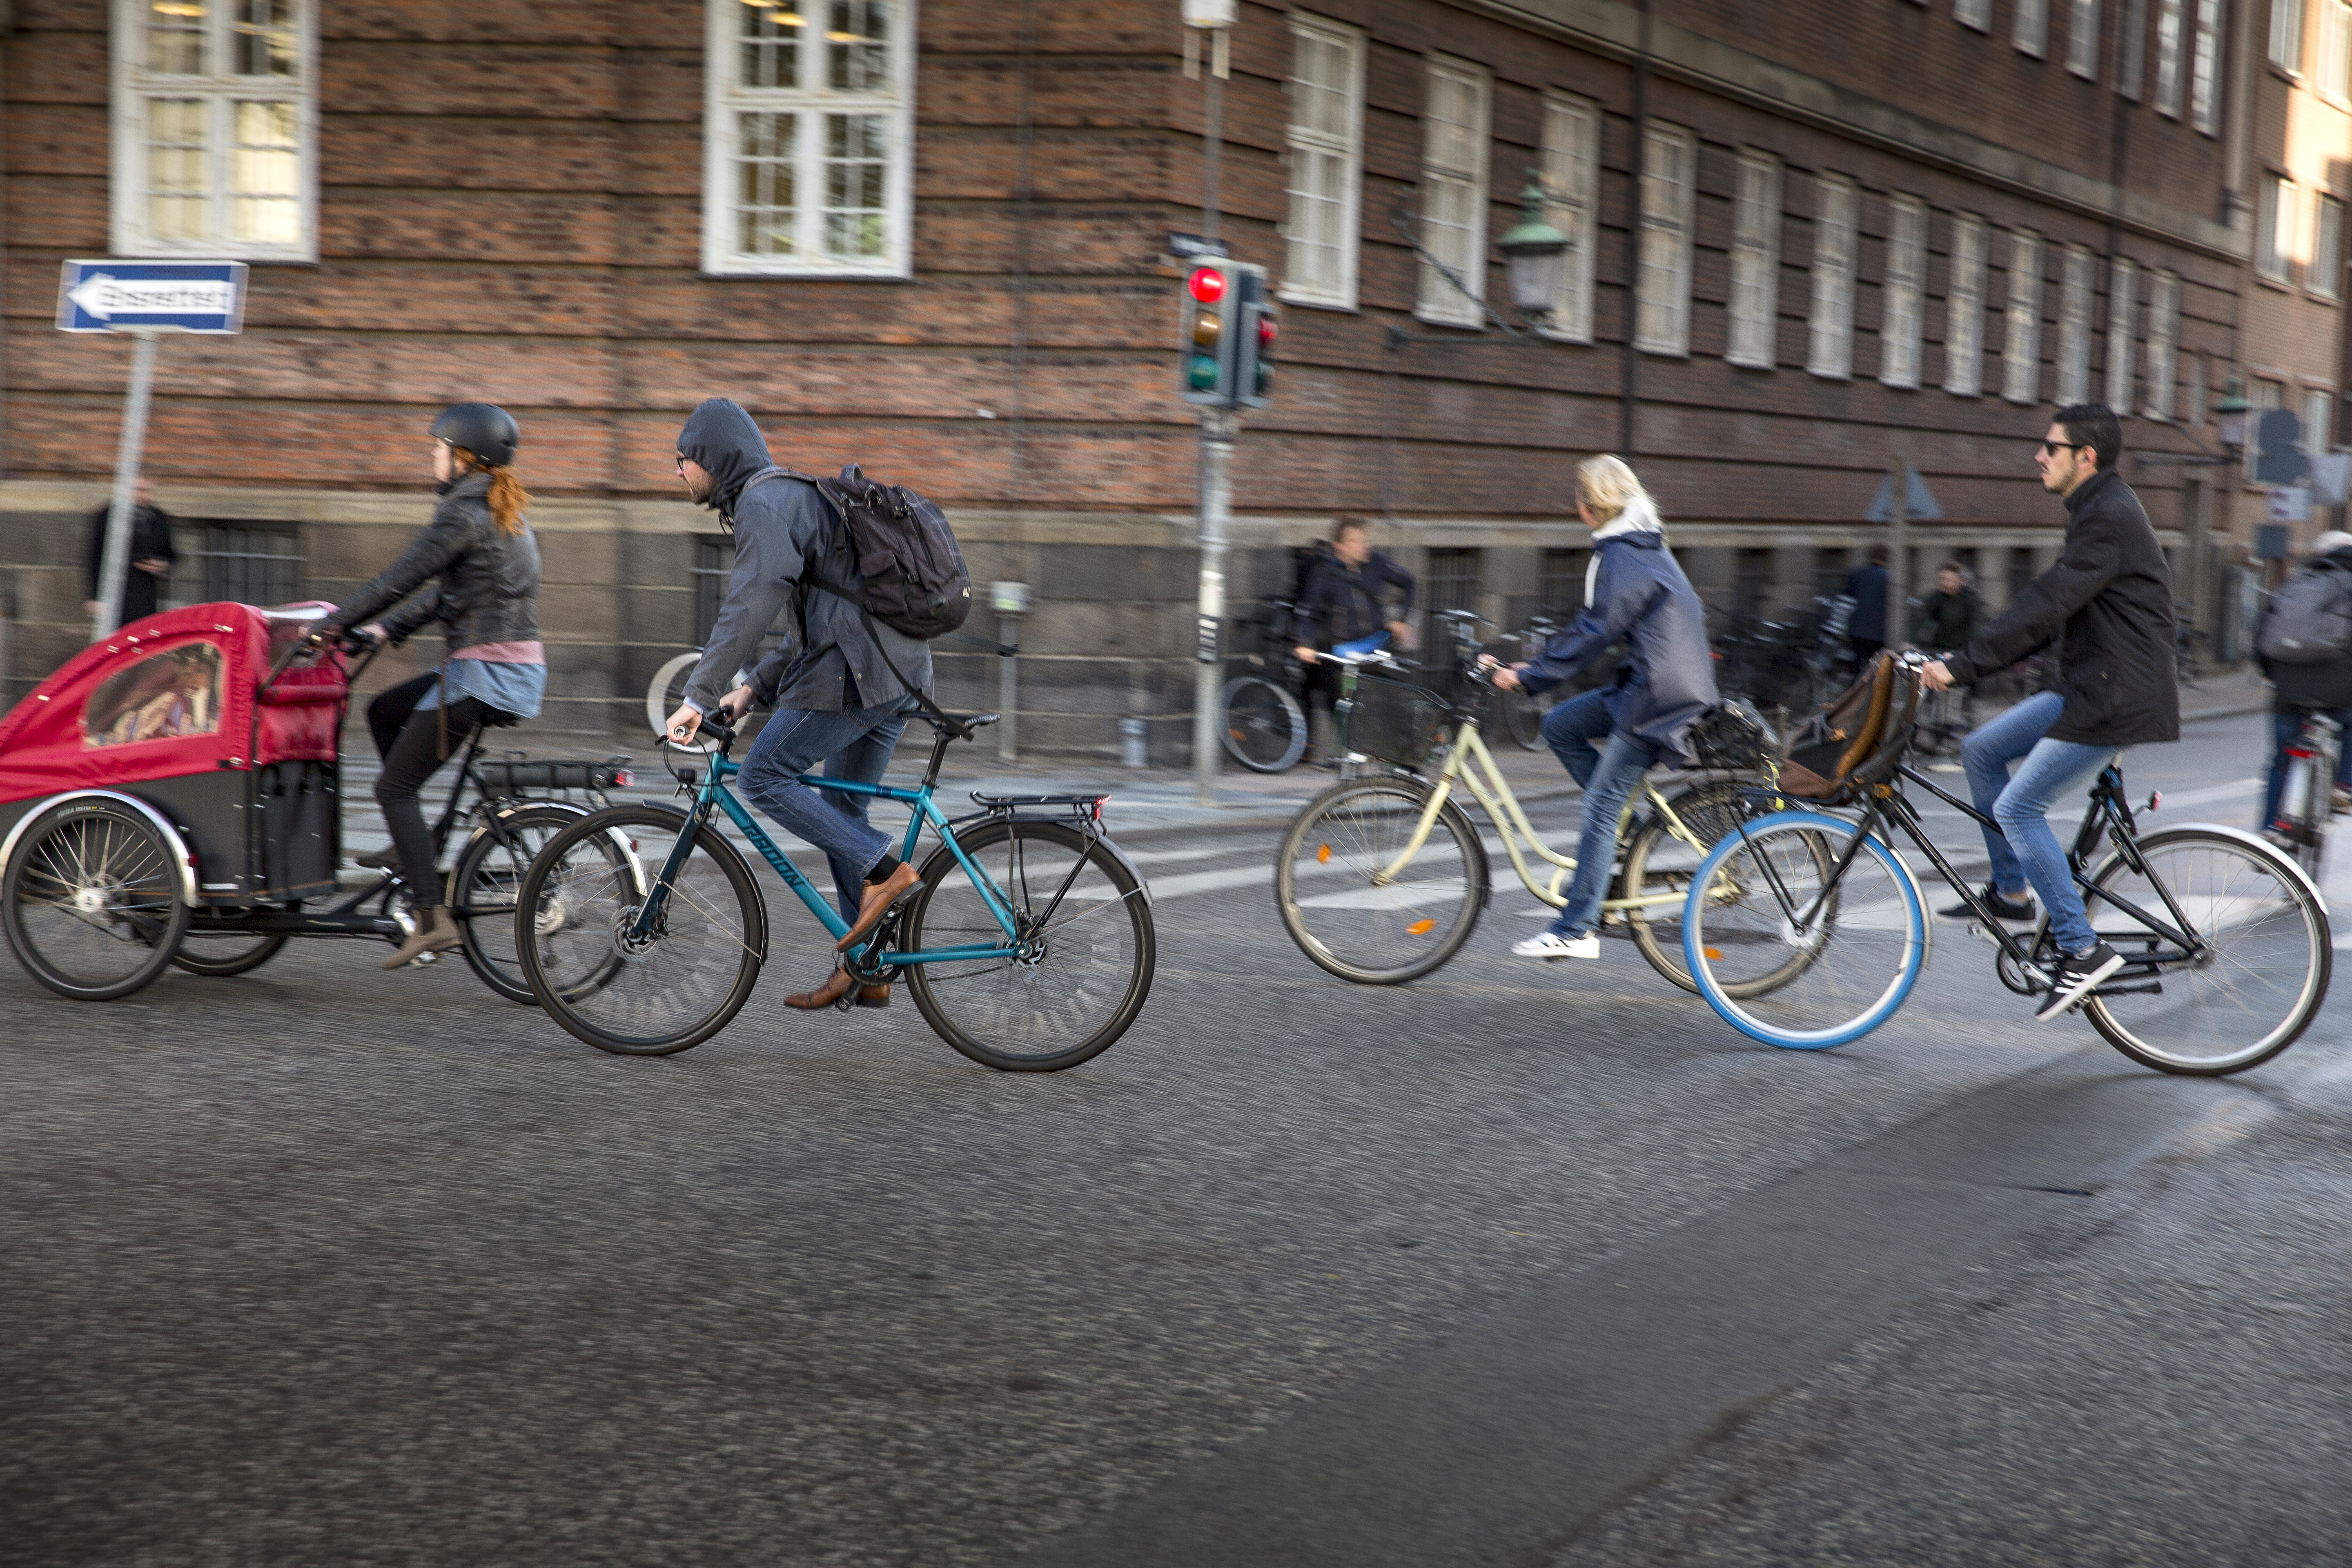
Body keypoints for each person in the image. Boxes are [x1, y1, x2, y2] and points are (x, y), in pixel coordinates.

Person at [662, 399, 929, 1013]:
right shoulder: (788, 497)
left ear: (711, 458)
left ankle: (886, 872)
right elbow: (817, 619)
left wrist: (697, 695)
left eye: (682, 459)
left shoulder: (762, 502)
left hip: (856, 676)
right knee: (840, 805)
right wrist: (754, 686)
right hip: (897, 672)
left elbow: (752, 602)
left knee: (762, 774)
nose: (678, 472)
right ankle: (868, 965)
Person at [1922, 403, 2179, 1022]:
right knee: (1981, 749)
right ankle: (2012, 893)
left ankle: (2081, 947)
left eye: (2051, 447)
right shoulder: (2096, 511)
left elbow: (2046, 601)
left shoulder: (2109, 517)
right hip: (2088, 681)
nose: (2040, 456)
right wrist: (1966, 658)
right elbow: (2059, 613)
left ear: (2085, 457)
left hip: (2115, 695)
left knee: (2018, 807)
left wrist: (1963, 665)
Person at [323, 404, 546, 970]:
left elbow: (401, 576)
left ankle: (430, 918)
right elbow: (454, 595)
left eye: (437, 449)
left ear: (464, 457)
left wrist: (330, 626)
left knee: (393, 790)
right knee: (384, 711)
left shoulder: (464, 514)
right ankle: (413, 843)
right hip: (508, 666)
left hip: (484, 673)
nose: (433, 458)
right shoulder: (500, 510)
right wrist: (384, 629)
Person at [1489, 455, 1718, 961]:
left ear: (1590, 505)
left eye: (1578, 499)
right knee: (1561, 725)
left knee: (1598, 805)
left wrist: (1530, 675)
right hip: (1650, 683)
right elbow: (1595, 622)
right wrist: (1535, 670)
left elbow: (1596, 630)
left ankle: (1577, 929)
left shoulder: (1624, 554)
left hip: (1659, 696)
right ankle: (1632, 837)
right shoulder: (1639, 543)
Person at [1292, 518, 1417, 764]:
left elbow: (1409, 583)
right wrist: (1304, 642)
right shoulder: (1324, 572)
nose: (1363, 546)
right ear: (1339, 546)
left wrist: (1402, 619)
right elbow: (1309, 609)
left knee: (1391, 695)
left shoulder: (1378, 563)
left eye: (1365, 540)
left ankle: (1398, 754)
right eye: (1355, 541)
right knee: (1333, 696)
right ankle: (1346, 752)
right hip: (1341, 648)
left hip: (1376, 643)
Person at [2254, 529, 2352, 830]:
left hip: (2288, 690)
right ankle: (2343, 786)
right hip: (2338, 691)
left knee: (2280, 761)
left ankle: (2268, 834)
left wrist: (2275, 678)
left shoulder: (2295, 584)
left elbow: (2262, 638)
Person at [82, 479, 177, 625]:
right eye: (138, 490)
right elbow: (95, 558)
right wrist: (96, 597)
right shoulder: (108, 516)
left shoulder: (158, 517)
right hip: (114, 591)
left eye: (147, 491)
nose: (143, 495)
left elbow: (170, 554)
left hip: (144, 592)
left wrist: (162, 565)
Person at [1840, 543, 1891, 665]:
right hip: (1878, 634)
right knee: (1876, 668)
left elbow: (1847, 600)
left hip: (1856, 630)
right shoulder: (1889, 578)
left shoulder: (1857, 574)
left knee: (1857, 666)